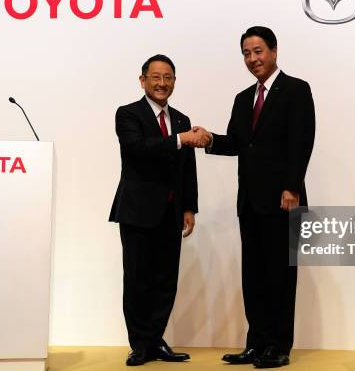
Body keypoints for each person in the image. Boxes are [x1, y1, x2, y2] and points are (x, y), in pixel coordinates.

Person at [196, 26, 315, 368]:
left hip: (283, 199)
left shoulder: (296, 90)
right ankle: (256, 343)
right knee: (255, 276)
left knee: (280, 276)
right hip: (249, 201)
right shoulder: (242, 97)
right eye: (246, 53)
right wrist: (211, 141)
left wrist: (291, 186)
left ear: (274, 51)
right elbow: (237, 142)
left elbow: (301, 140)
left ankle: (279, 347)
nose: (253, 59)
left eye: (258, 51)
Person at [109, 54, 209, 366]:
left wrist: (189, 206)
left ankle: (155, 340)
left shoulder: (180, 118)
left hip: (171, 211)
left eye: (168, 77)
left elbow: (186, 166)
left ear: (174, 82)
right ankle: (139, 344)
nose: (162, 83)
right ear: (143, 81)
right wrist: (180, 139)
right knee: (138, 279)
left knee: (166, 280)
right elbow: (138, 150)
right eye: (155, 77)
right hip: (138, 211)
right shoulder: (128, 114)